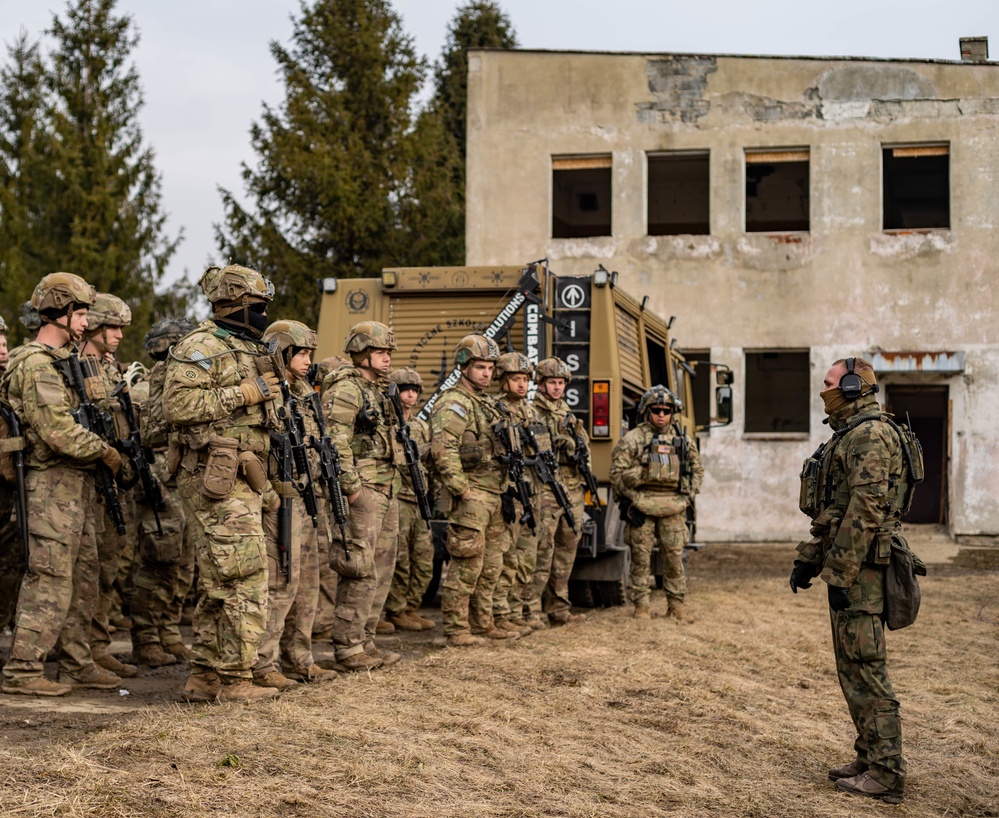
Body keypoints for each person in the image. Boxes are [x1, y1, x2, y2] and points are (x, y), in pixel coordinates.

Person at [789, 356, 909, 804]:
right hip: (854, 569)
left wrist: (839, 574)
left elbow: (865, 510)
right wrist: (808, 560)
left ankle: (886, 774)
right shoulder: (851, 435)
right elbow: (836, 510)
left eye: (830, 384)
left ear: (856, 386)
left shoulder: (871, 435)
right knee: (852, 669)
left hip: (864, 573)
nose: (824, 391)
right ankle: (869, 756)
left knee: (866, 669)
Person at [163, 264, 283, 704]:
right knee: (245, 576)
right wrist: (245, 392)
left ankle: (204, 677)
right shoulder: (201, 345)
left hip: (241, 476)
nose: (264, 316)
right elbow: (179, 405)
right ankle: (236, 678)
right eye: (258, 307)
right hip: (213, 476)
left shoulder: (246, 345)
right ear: (232, 305)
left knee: (220, 580)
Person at [1, 273, 124, 696]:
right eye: (83, 312)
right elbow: (57, 431)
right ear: (62, 310)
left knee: (83, 575)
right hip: (50, 485)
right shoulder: (35, 363)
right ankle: (22, 669)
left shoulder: (65, 360)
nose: (87, 322)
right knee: (49, 576)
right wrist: (105, 451)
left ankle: (76, 662)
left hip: (75, 485)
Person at [252, 319, 337, 688]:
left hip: (308, 494)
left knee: (308, 581)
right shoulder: (269, 390)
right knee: (281, 579)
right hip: (280, 497)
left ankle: (299, 656)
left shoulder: (303, 390)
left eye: (308, 354)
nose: (306, 360)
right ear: (281, 352)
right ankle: (263, 663)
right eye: (300, 353)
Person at [321, 321, 402, 671]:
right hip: (364, 489)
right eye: (381, 353)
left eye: (387, 353)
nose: (386, 359)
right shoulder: (347, 389)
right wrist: (351, 487)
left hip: (386, 485)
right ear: (364, 353)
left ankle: (366, 640)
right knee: (359, 567)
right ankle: (348, 646)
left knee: (382, 568)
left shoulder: (380, 390)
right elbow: (334, 440)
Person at [429, 334, 510, 647]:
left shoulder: (486, 404)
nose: (486, 373)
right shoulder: (454, 403)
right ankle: (456, 629)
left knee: (490, 566)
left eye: (490, 367)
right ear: (464, 366)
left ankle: (483, 623)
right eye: (480, 366)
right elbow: (442, 450)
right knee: (467, 566)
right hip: (472, 496)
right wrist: (462, 490)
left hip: (493, 495)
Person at [77, 293, 140, 680]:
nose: (117, 335)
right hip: (88, 475)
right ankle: (78, 650)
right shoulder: (76, 365)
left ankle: (97, 646)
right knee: (87, 569)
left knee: (109, 567)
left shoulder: (111, 368)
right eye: (111, 326)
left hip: (115, 480)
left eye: (120, 328)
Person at [129, 317, 196, 668]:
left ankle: (169, 631)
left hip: (182, 487)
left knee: (183, 567)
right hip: (158, 490)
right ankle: (145, 637)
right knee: (155, 565)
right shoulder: (146, 390)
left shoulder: (185, 385)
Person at [609, 385, 703, 621]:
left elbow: (697, 470)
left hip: (674, 507)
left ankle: (676, 605)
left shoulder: (683, 441)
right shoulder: (633, 439)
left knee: (674, 558)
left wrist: (686, 495)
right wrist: (633, 496)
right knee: (640, 558)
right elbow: (616, 474)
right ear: (646, 411)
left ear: (672, 412)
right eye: (656, 410)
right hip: (642, 506)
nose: (661, 415)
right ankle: (641, 605)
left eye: (666, 410)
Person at [525, 358, 586, 627]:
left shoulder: (568, 414)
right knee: (542, 549)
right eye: (552, 382)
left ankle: (559, 607)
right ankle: (531, 608)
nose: (557, 388)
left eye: (561, 383)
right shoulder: (531, 412)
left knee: (566, 548)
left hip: (571, 487)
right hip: (545, 488)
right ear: (540, 384)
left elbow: (584, 450)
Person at [491, 352, 543, 637]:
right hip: (508, 490)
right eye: (515, 378)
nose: (521, 384)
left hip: (529, 490)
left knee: (524, 557)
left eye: (524, 379)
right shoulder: (496, 410)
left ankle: (512, 609)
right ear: (504, 380)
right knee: (506, 556)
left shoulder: (530, 411)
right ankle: (499, 612)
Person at [382, 368, 436, 633]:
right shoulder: (387, 424)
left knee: (425, 559)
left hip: (419, 499)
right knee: (400, 560)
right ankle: (394, 609)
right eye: (405, 389)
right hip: (399, 498)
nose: (411, 394)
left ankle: (410, 608)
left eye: (415, 389)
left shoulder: (422, 427)